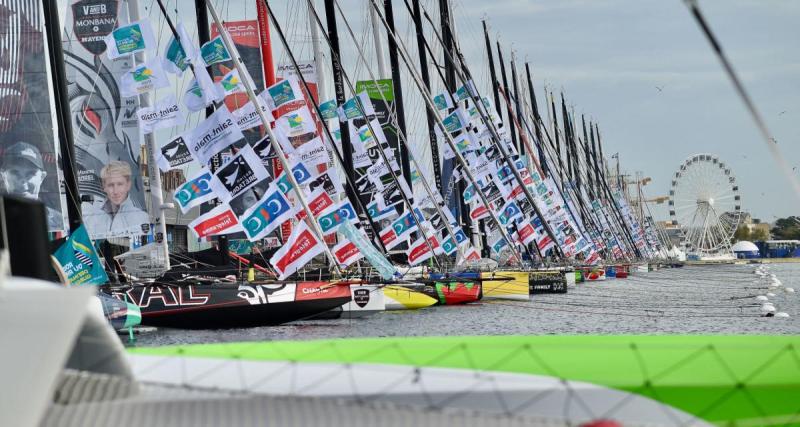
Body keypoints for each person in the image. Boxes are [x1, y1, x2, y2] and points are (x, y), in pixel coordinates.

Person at [0, 141, 62, 229]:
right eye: (15, 173)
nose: (23, 182)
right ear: (3, 176)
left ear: (42, 177)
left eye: (31, 174)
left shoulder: (59, 221)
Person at [83, 160, 149, 238]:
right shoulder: (91, 216)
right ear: (104, 186)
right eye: (111, 185)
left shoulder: (142, 217)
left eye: (120, 184)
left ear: (128, 185)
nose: (115, 191)